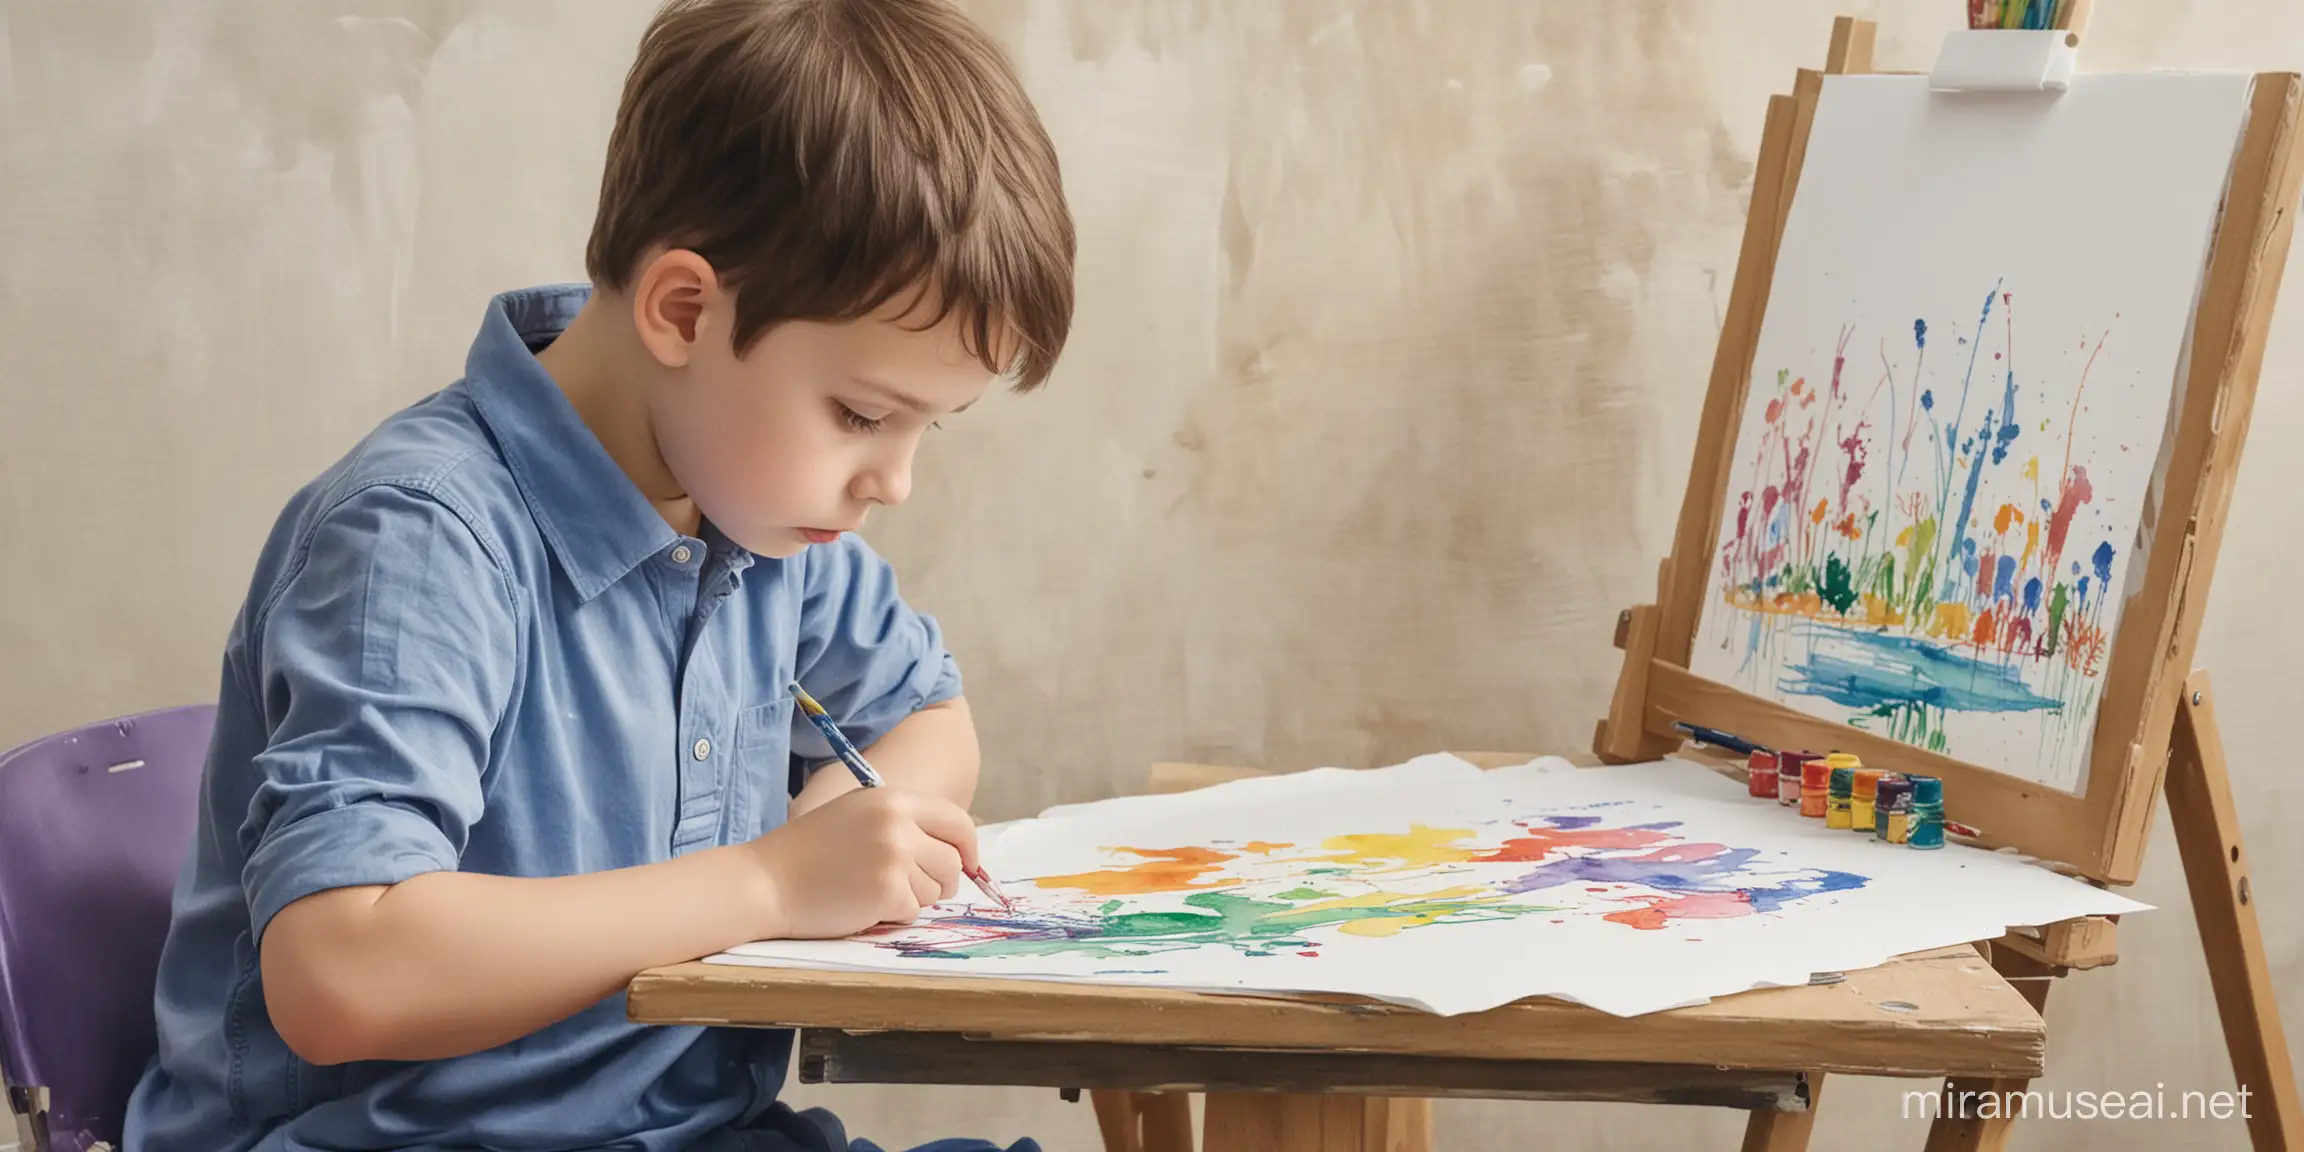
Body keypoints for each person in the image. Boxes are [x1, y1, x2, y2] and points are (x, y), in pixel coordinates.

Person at [124, 0, 1073, 1147]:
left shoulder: (754, 513)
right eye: (863, 413)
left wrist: (849, 832)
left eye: (933, 427)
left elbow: (929, 712)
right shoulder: (421, 539)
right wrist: (769, 885)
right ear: (683, 310)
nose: (894, 482)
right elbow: (341, 968)